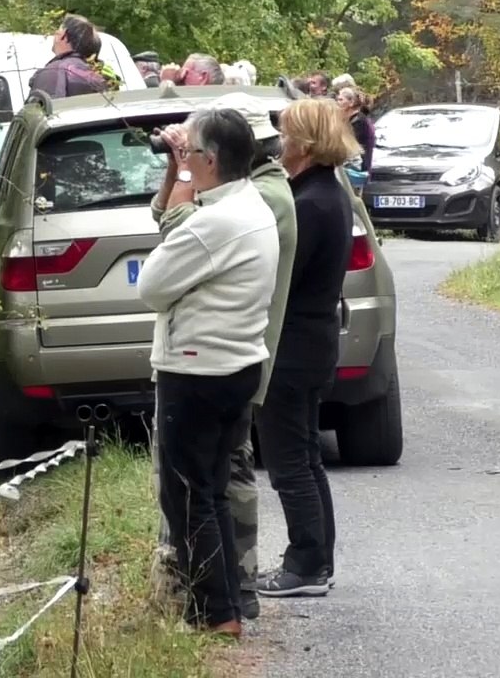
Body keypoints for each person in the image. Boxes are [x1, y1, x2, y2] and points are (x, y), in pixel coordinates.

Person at [149, 93, 298, 622]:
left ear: (210, 160)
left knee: (191, 499)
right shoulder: (252, 204)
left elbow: (151, 285)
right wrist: (180, 170)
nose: (182, 157)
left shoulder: (216, 222)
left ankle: (215, 613)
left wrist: (182, 177)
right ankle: (226, 603)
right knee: (210, 493)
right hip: (236, 363)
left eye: (190, 152)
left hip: (197, 369)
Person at [255, 98, 358, 598]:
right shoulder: (327, 192)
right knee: (306, 456)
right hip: (313, 340)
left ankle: (305, 564)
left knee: (289, 460)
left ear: (307, 143)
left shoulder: (310, 204)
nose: (280, 143)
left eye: (287, 135)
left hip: (294, 345)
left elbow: (280, 277)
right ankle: (317, 560)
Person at [28, 14, 109, 98]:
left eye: (58, 30)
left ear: (64, 36)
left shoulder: (54, 71)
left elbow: (40, 109)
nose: (55, 33)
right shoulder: (99, 75)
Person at [337, 86, 376, 172]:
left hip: (357, 167)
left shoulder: (359, 121)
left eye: (341, 100)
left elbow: (351, 144)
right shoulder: (348, 119)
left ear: (351, 102)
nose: (337, 103)